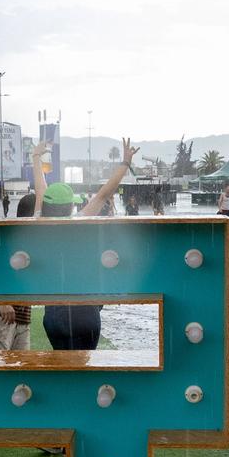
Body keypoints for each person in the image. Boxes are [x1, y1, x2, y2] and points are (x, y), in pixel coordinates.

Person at [32, 140, 138, 353]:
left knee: (63, 366)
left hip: (54, 313)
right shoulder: (79, 221)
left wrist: (35, 158)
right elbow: (104, 194)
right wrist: (125, 163)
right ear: (71, 206)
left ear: (46, 206)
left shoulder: (40, 224)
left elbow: (41, 190)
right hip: (85, 312)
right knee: (86, 366)